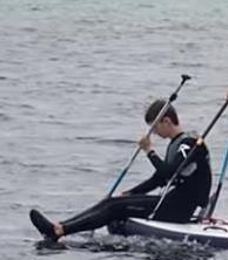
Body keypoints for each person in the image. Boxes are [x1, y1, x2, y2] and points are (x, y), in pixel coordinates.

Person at [28, 100, 211, 241]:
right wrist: (131, 193)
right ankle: (60, 226)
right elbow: (158, 179)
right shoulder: (176, 144)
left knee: (115, 207)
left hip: (179, 209)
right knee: (112, 201)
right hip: (172, 202)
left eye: (154, 128)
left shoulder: (189, 143)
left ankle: (60, 232)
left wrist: (150, 152)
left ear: (167, 121)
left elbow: (168, 173)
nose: (154, 133)